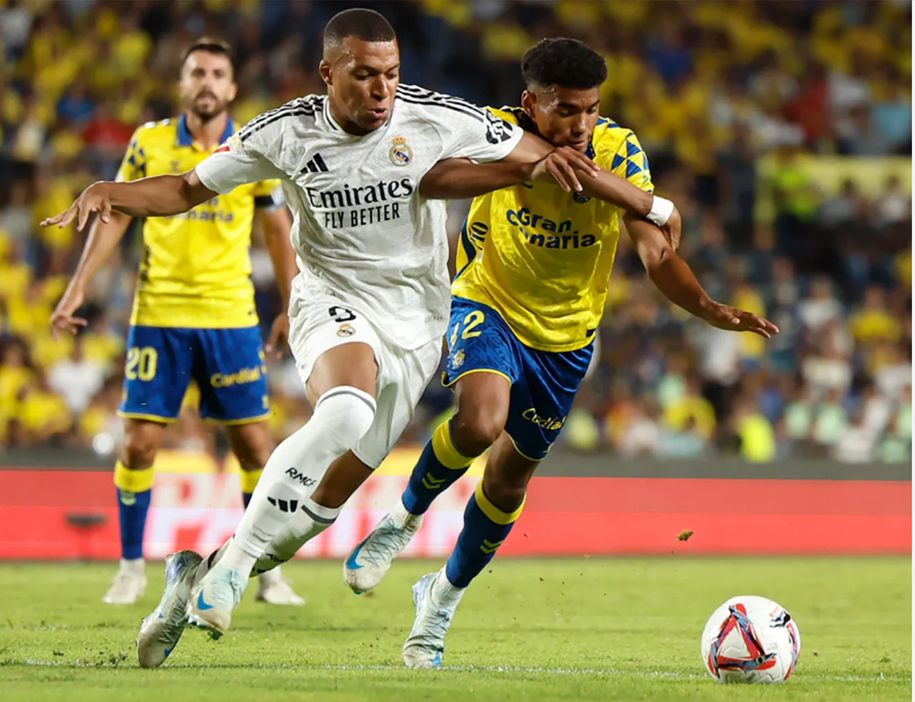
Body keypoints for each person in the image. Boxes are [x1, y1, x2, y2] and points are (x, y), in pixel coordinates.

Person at [42, 10, 667, 667]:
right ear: (328, 72)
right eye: (365, 74)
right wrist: (110, 190)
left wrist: (652, 205)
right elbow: (183, 188)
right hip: (331, 300)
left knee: (306, 522)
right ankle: (235, 569)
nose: (382, 89)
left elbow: (550, 158)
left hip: (416, 322)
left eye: (391, 74)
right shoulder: (283, 133)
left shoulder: (434, 116)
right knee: (345, 411)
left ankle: (191, 582)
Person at [238, 38, 779, 669]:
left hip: (567, 338)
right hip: (486, 300)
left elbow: (655, 252)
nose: (581, 125)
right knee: (479, 420)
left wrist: (708, 306)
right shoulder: (492, 131)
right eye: (566, 110)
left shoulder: (620, 150)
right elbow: (428, 177)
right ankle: (404, 518)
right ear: (531, 103)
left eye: (591, 110)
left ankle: (440, 598)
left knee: (507, 479)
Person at [47, 38, 304, 610]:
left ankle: (266, 573)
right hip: (158, 313)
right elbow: (116, 212)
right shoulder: (149, 142)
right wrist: (79, 285)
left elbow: (275, 228)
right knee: (138, 445)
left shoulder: (251, 146)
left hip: (229, 316)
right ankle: (130, 568)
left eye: (217, 73)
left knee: (254, 446)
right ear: (182, 84)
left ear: (231, 88)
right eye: (197, 73)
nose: (207, 82)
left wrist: (290, 304)